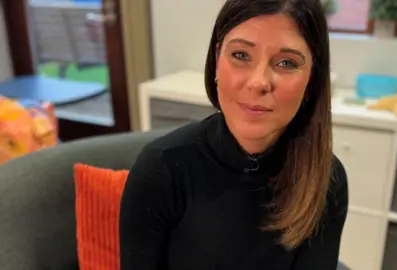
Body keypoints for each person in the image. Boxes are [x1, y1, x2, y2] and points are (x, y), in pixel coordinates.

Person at [119, 0, 348, 269]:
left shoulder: (326, 179)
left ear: (312, 78)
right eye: (241, 55)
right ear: (217, 60)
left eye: (286, 62)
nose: (258, 82)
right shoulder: (161, 170)